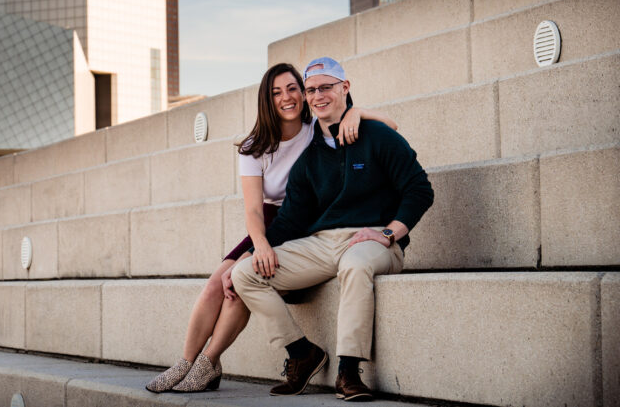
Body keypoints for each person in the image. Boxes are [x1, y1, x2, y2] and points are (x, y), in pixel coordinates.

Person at [145, 62, 399, 393]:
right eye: (277, 92)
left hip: (309, 220)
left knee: (235, 288)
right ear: (268, 99)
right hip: (271, 221)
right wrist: (259, 245)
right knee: (216, 285)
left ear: (304, 93)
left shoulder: (316, 127)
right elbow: (252, 208)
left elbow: (390, 126)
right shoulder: (255, 145)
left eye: (293, 88)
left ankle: (208, 363)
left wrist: (357, 112)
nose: (287, 98)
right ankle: (184, 363)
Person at [231, 57, 434, 401]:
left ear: (345, 88)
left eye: (326, 87)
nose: (318, 95)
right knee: (244, 273)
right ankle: (300, 353)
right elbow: (291, 220)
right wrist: (254, 251)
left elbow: (419, 189)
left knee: (355, 264)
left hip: (373, 240)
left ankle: (348, 372)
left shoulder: (378, 136)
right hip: (323, 243)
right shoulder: (308, 158)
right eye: (311, 90)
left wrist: (389, 233)